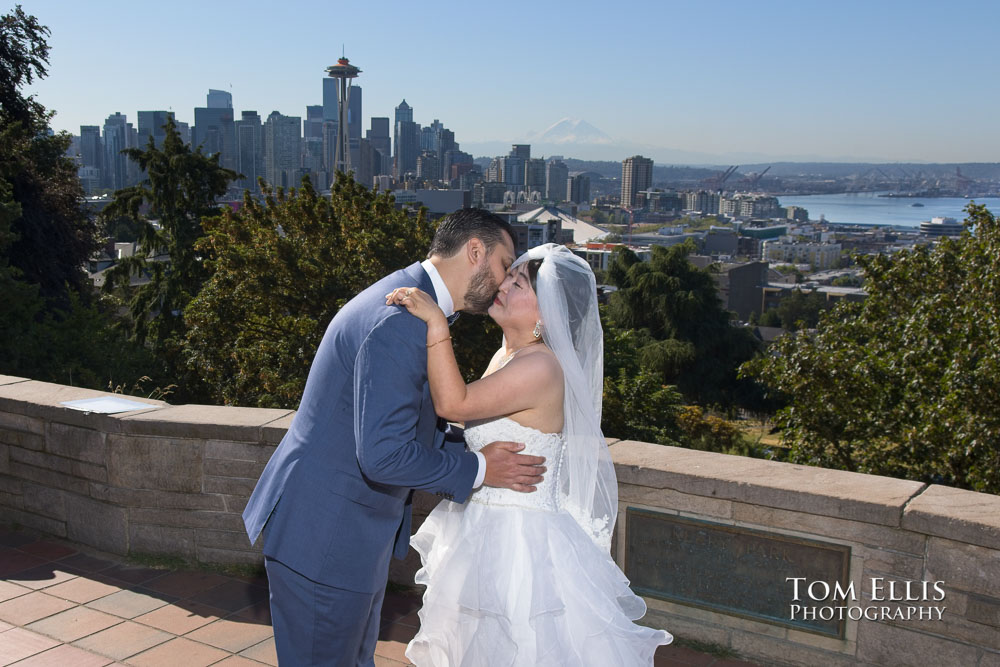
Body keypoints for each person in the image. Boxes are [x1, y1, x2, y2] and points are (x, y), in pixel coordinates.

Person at [242, 209, 548, 666]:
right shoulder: (402, 323)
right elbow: (384, 456)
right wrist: (480, 468)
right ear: (476, 251)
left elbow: (413, 419)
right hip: (327, 538)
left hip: (345, 533)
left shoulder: (418, 307)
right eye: (505, 264)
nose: (504, 282)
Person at [386, 243, 672, 666]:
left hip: (520, 541)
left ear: (546, 314)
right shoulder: (506, 356)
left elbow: (456, 404)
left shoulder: (540, 367)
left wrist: (435, 323)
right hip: (483, 525)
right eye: (509, 275)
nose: (502, 284)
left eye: (518, 282)